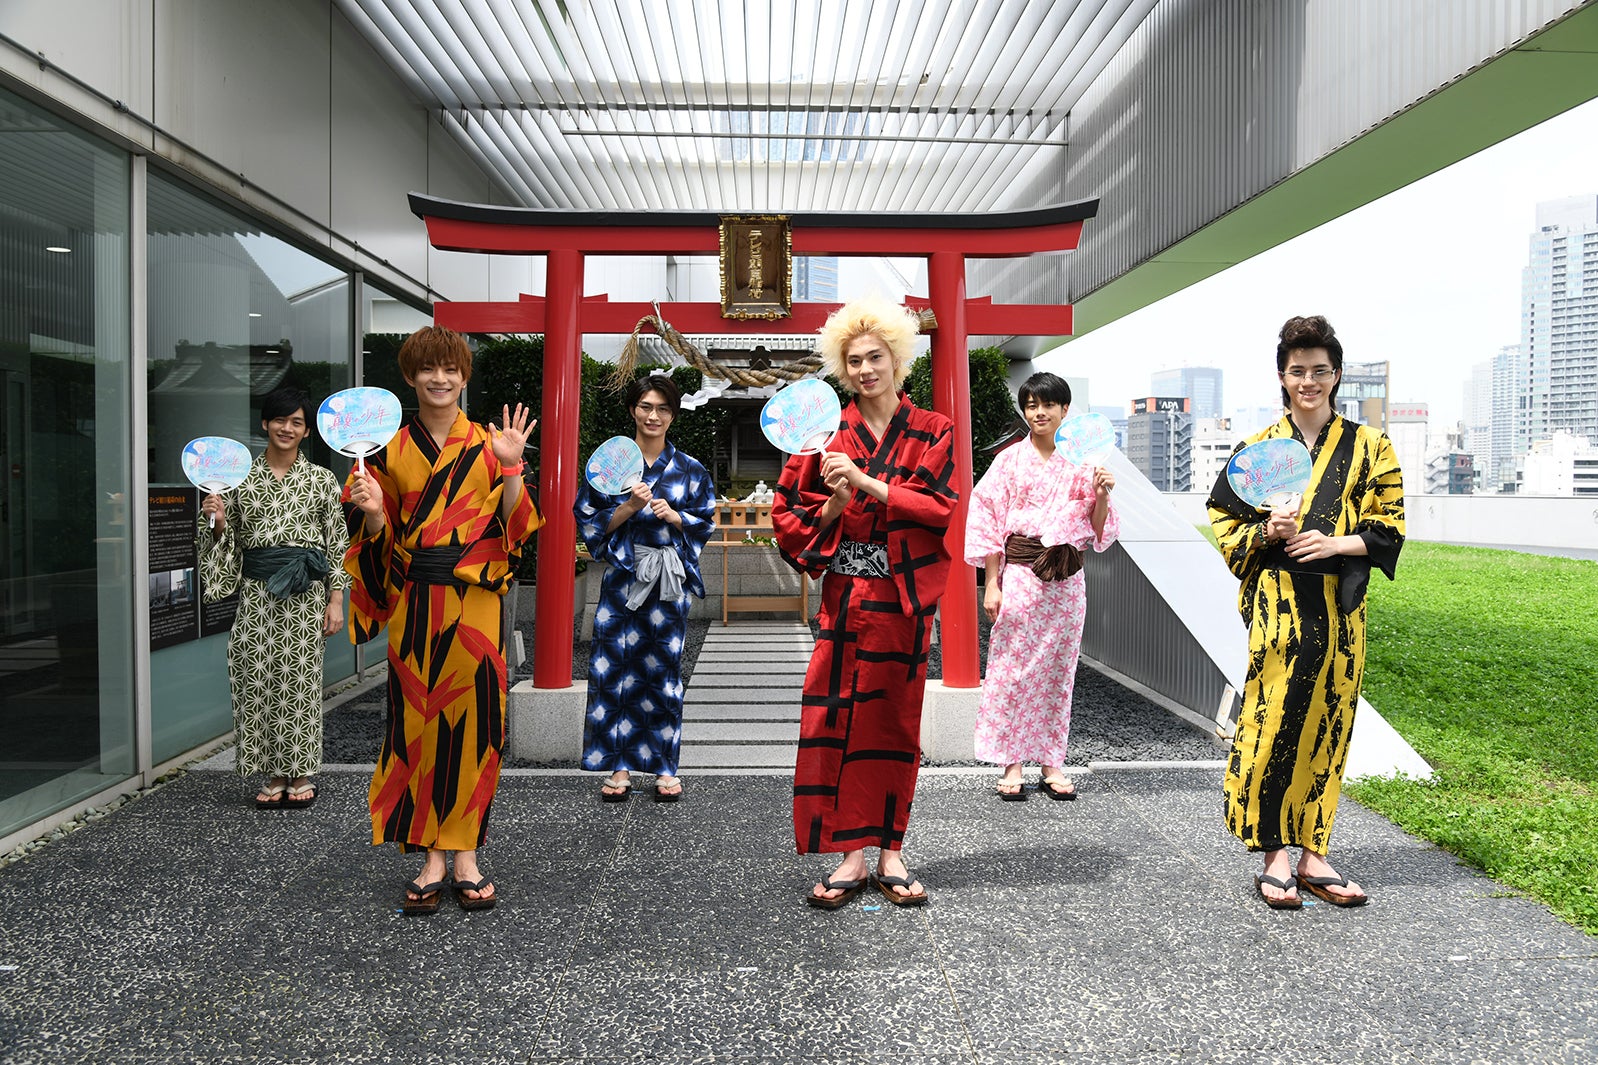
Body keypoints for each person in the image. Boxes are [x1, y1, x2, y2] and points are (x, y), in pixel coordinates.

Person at [1207, 315, 1405, 910]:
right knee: (1273, 716)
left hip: (1340, 608)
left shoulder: (1372, 445)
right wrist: (1268, 529)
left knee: (1330, 720)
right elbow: (1224, 517)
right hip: (1279, 601)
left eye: (1320, 370)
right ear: (1282, 377)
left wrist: (1335, 543)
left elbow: (1389, 528)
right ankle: (1274, 854)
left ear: (1336, 374)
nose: (1309, 381)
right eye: (1298, 371)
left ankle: (1314, 853)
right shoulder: (1260, 450)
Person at [345, 325, 543, 915]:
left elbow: (515, 528)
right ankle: (431, 854)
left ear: (464, 376)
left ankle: (466, 854)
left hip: (475, 603)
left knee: (477, 725)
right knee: (417, 725)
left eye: (451, 369)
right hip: (414, 601)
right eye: (427, 369)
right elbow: (374, 540)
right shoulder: (386, 451)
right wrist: (377, 515)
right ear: (409, 378)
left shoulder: (489, 441)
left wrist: (511, 471)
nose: (440, 379)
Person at [771, 296, 958, 909]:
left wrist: (866, 481)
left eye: (876, 357)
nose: (865, 370)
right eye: (853, 361)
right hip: (846, 596)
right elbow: (791, 525)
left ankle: (891, 851)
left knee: (894, 722)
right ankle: (850, 854)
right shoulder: (822, 437)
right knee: (834, 716)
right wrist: (831, 500)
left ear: (898, 360)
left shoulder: (935, 430)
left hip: (902, 603)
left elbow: (939, 508)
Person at [964, 372, 1118, 801]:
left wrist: (1102, 496)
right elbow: (988, 521)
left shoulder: (1083, 464)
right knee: (1012, 667)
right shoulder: (1009, 460)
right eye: (1031, 406)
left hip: (1067, 581)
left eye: (1048, 405)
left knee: (1058, 671)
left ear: (1065, 410)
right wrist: (991, 584)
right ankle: (1011, 762)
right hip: (1021, 575)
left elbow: (1098, 532)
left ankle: (1052, 760)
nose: (1039, 413)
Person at [199, 386, 349, 810]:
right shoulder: (239, 480)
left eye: (297, 422)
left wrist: (335, 600)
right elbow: (223, 543)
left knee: (299, 682)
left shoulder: (320, 479)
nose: (288, 428)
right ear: (265, 423)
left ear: (306, 432)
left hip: (304, 595)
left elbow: (336, 543)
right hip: (256, 592)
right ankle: (272, 771)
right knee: (256, 676)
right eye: (280, 419)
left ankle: (301, 772)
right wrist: (218, 521)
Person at [575, 373, 718, 802]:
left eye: (662, 408)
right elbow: (589, 525)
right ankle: (617, 766)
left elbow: (705, 521)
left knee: (663, 673)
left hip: (668, 583)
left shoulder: (690, 469)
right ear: (632, 411)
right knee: (612, 669)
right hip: (623, 579)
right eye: (645, 407)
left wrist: (676, 517)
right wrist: (630, 505)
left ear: (673, 414)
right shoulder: (610, 466)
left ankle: (662, 765)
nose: (653, 416)